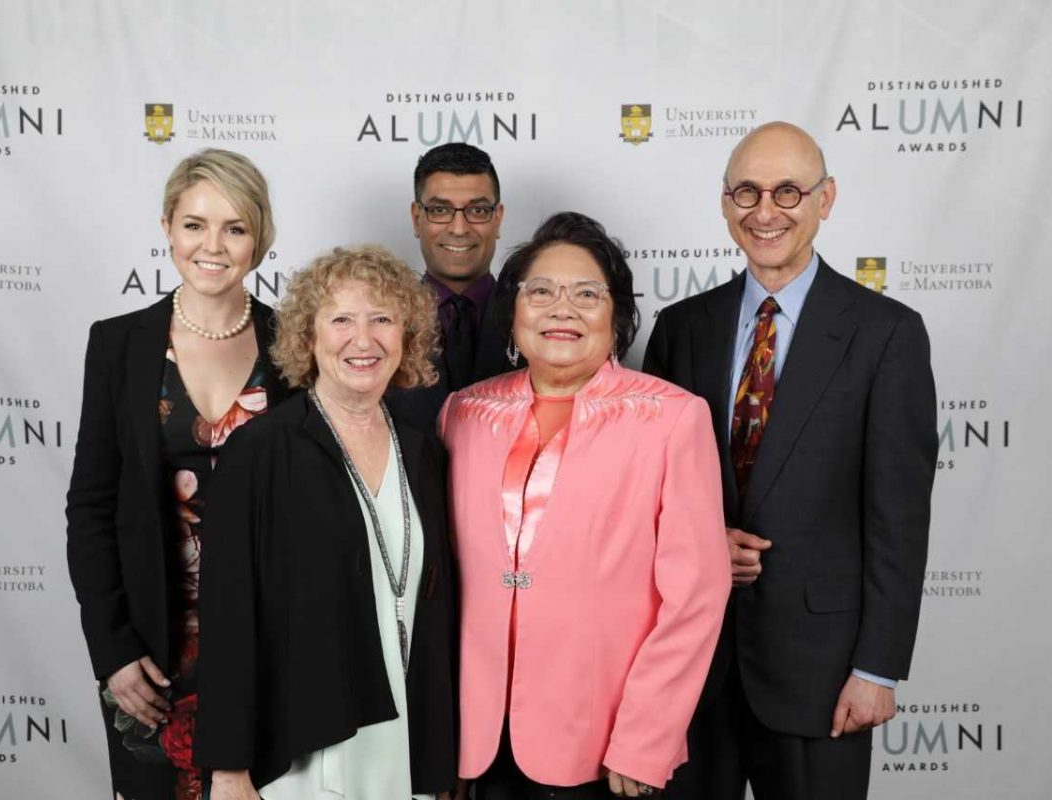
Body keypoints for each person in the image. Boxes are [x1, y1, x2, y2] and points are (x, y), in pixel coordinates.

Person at [643, 122, 938, 800]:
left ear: (825, 199)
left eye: (788, 191)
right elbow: (647, 492)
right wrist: (701, 543)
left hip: (823, 674)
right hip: (692, 665)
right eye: (746, 191)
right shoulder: (683, 327)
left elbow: (899, 516)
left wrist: (879, 670)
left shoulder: (886, 335)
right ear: (725, 204)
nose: (765, 211)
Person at [441, 212, 731, 798]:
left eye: (586, 294)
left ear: (617, 315)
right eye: (541, 291)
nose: (561, 308)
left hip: (605, 746)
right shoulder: (463, 414)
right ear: (514, 311)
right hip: (480, 741)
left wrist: (644, 739)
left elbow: (696, 595)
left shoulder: (672, 418)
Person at [193, 246, 457, 800]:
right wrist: (228, 767)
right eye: (341, 319)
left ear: (407, 335)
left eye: (382, 319)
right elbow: (228, 616)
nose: (364, 340)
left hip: (405, 740)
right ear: (307, 337)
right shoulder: (260, 451)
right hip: (306, 746)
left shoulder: (422, 452)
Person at [65, 148, 289, 800]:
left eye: (235, 227)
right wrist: (111, 652)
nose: (212, 245)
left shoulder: (295, 347)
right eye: (194, 224)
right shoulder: (119, 344)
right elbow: (91, 506)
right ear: (167, 227)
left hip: (268, 651)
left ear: (260, 238)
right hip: (149, 657)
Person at [387, 142, 514, 437]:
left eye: (478, 210)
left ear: (498, 218)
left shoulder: (536, 321)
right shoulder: (379, 328)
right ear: (417, 218)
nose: (459, 228)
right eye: (440, 210)